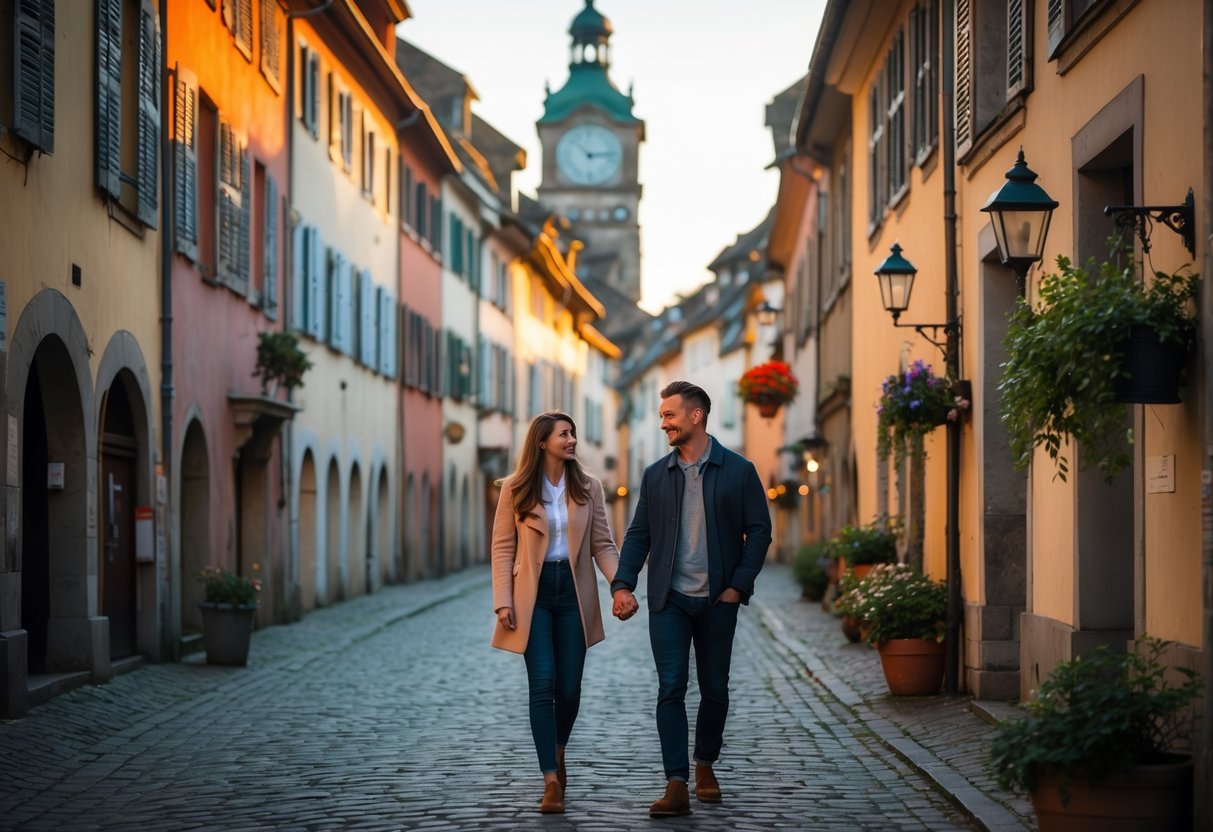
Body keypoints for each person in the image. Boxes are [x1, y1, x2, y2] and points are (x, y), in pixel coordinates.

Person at [610, 381, 772, 817]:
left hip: (719, 599)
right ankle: (676, 781)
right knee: (671, 687)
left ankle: (705, 765)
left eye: (669, 415)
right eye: (662, 416)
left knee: (716, 689)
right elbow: (638, 534)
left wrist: (738, 585)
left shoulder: (739, 470)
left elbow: (759, 531)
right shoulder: (656, 475)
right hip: (669, 600)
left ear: (695, 416)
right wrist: (622, 583)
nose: (663, 423)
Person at [490, 410, 625, 814]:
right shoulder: (515, 489)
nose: (571, 440)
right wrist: (503, 600)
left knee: (569, 688)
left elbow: (602, 543)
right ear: (542, 441)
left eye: (573, 433)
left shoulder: (588, 487)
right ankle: (550, 780)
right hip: (532, 594)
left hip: (573, 593)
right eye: (563, 434)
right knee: (543, 683)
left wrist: (620, 586)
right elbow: (502, 548)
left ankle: (558, 748)